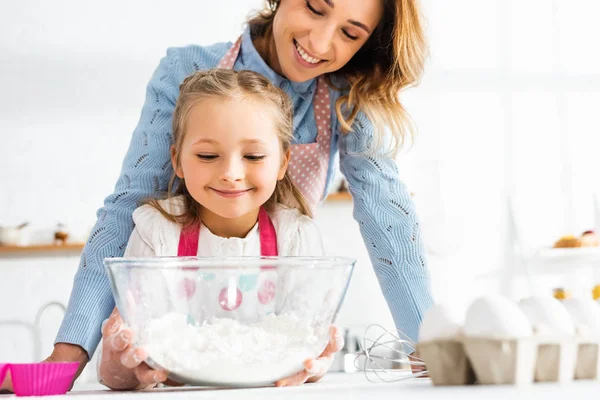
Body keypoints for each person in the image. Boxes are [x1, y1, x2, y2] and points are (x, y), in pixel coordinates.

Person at [34, 0, 433, 390]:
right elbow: (129, 204)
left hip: (268, 336)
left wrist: (428, 345)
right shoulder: (186, 70)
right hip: (184, 332)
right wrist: (71, 352)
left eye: (349, 33)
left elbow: (388, 216)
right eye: (314, 7)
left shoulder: (349, 95)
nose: (320, 41)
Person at [98, 68, 342, 389]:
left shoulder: (296, 237)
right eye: (208, 155)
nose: (230, 173)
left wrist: (315, 364)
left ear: (283, 161)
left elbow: (310, 342)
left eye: (253, 155)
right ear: (178, 160)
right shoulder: (157, 231)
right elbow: (123, 360)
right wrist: (121, 369)